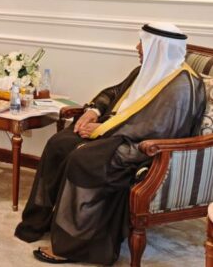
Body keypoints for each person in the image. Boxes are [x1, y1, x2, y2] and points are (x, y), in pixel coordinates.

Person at [15, 23, 206, 265]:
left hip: (145, 149)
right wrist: (93, 111)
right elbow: (114, 92)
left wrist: (102, 130)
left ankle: (72, 244)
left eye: (143, 43)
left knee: (84, 160)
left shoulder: (182, 86)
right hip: (116, 131)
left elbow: (158, 129)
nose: (137, 47)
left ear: (159, 47)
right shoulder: (145, 70)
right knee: (59, 144)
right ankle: (41, 221)